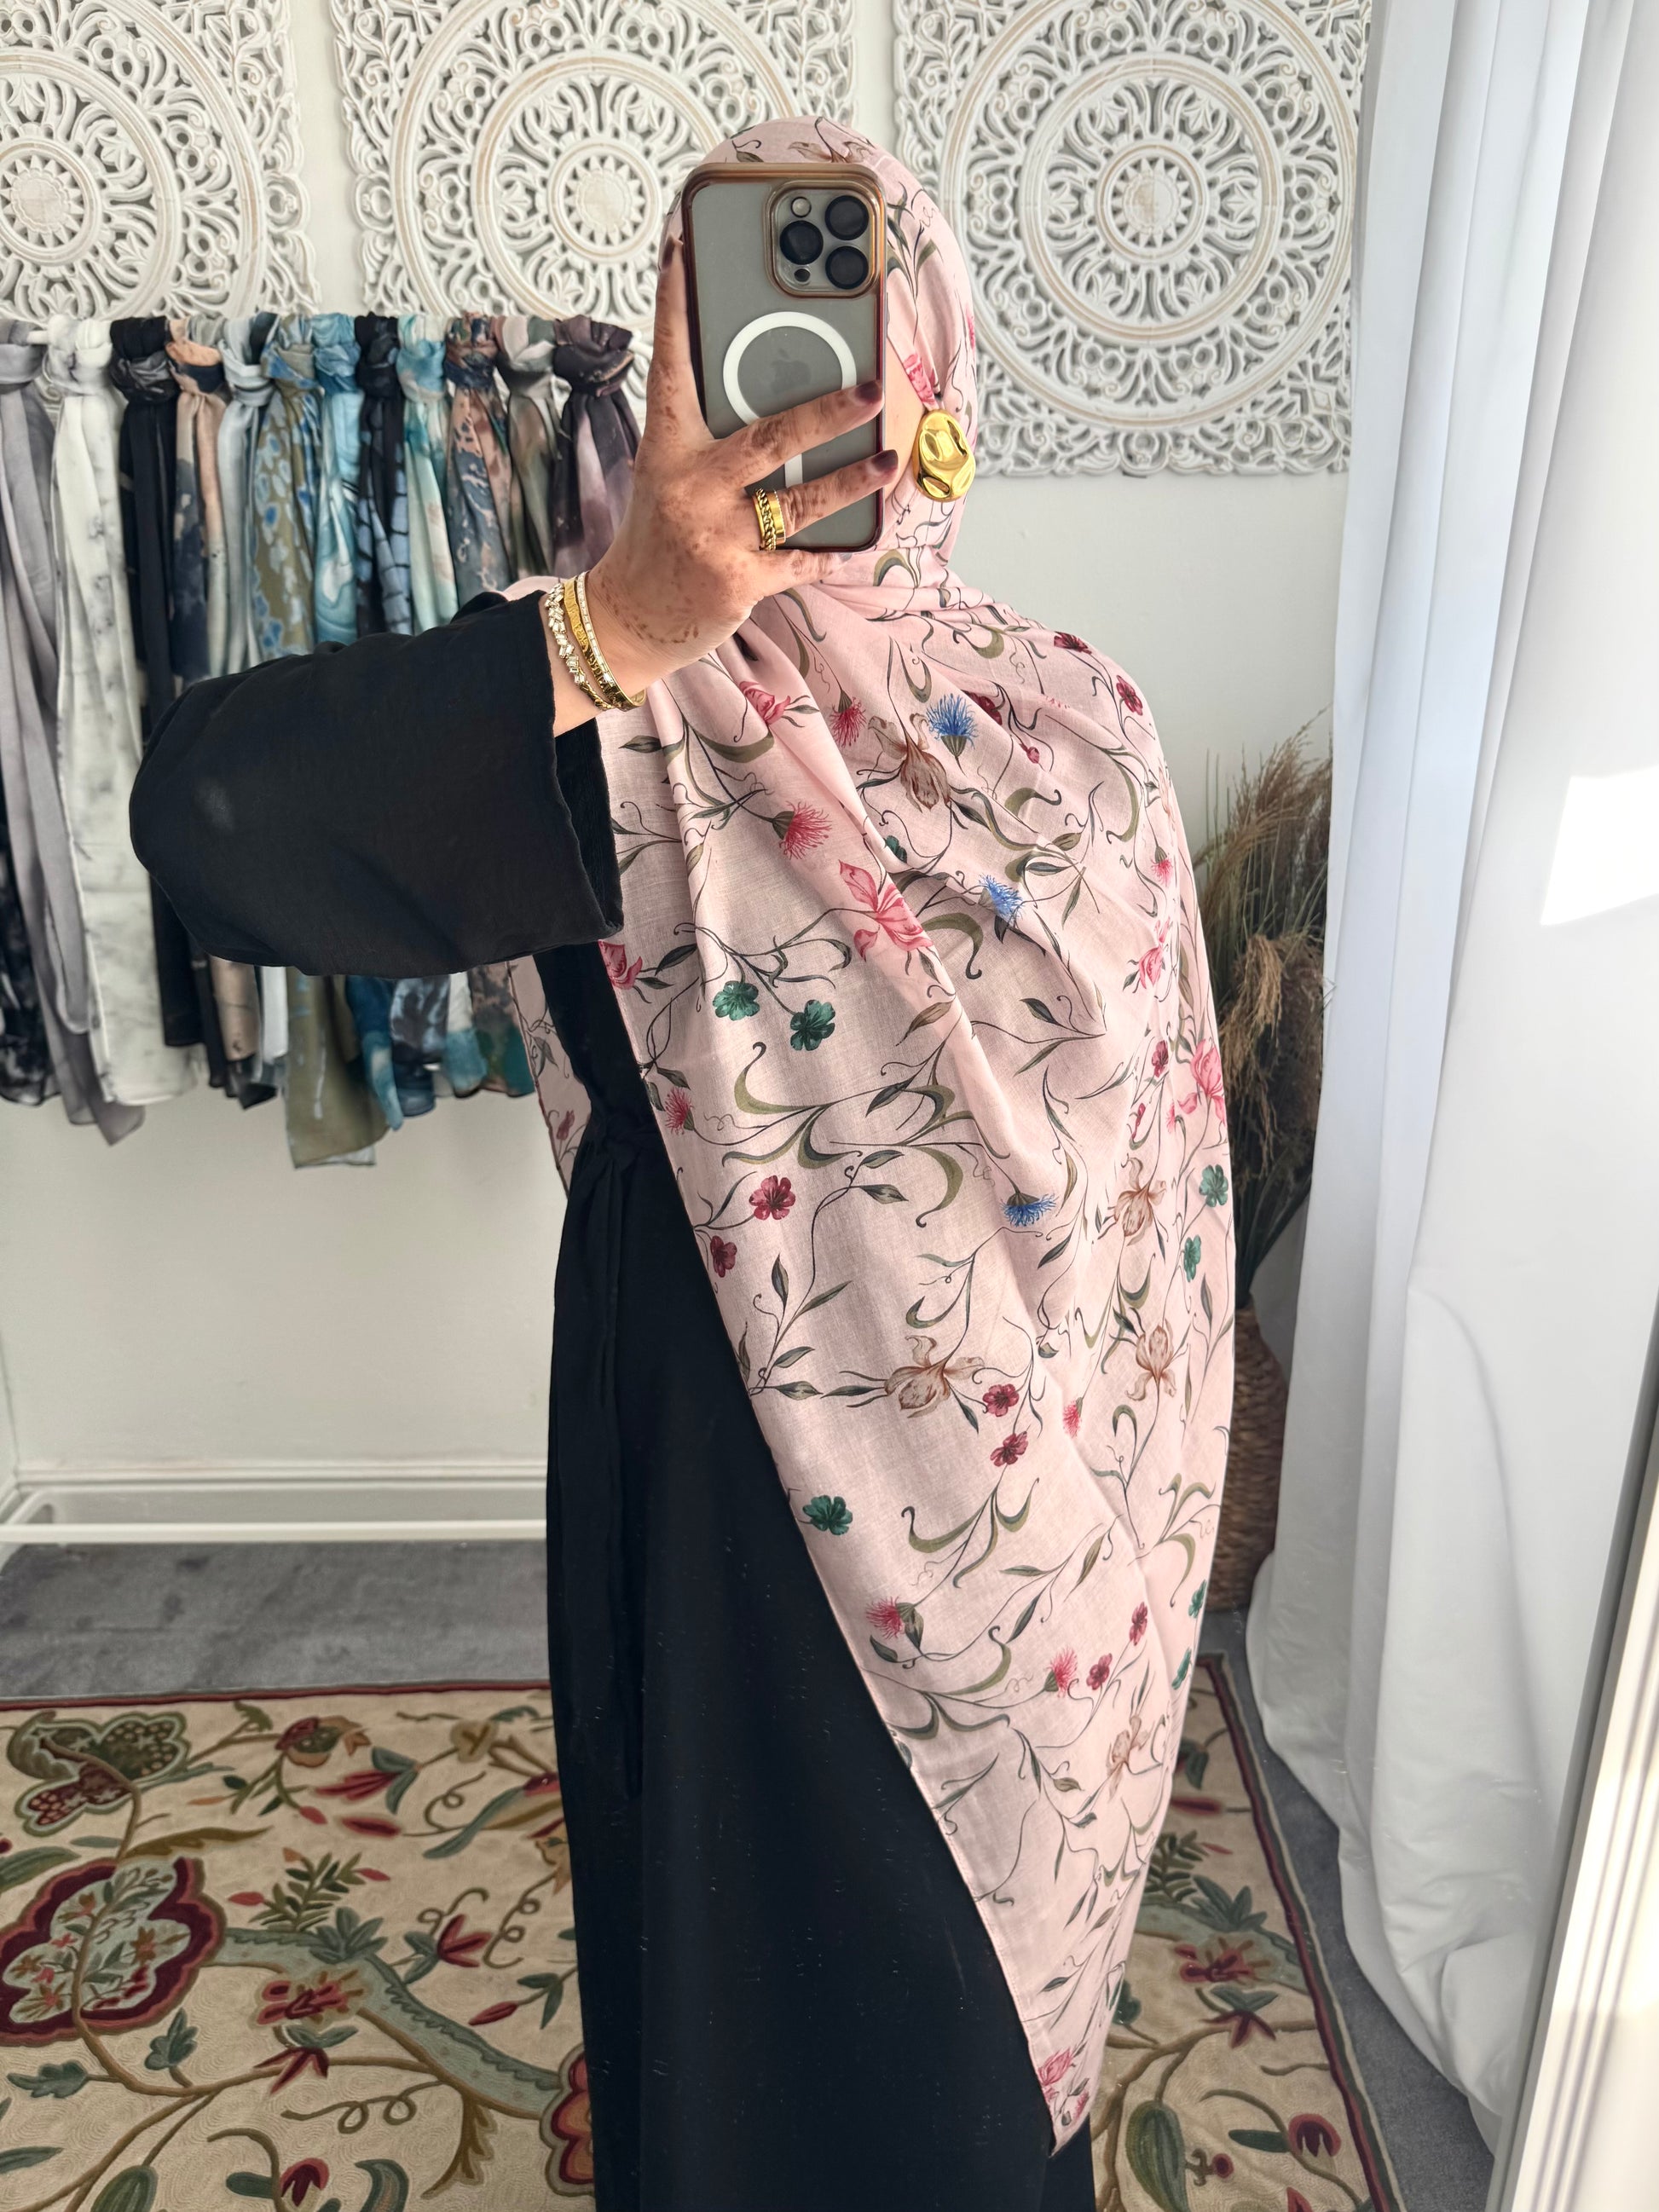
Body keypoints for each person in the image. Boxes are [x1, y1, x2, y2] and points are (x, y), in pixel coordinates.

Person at [133, 118, 1233, 2212]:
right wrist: (621, 617)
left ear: (929, 378)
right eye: (731, 322)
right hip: (722, 1482)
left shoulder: (1078, 724)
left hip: (1051, 1527)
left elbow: (1164, 1220)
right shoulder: (607, 700)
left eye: (839, 328)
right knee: (743, 1980)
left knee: (967, 2034)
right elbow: (207, 826)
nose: (787, 382)